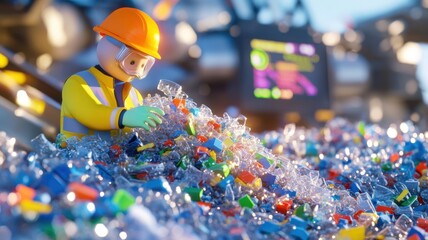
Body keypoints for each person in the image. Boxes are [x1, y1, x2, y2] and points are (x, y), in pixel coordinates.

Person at [60, 7, 165, 139]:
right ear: (108, 46)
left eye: (143, 65)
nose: (136, 71)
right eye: (132, 62)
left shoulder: (135, 96)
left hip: (112, 159)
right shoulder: (78, 83)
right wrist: (123, 117)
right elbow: (89, 113)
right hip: (73, 156)